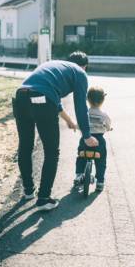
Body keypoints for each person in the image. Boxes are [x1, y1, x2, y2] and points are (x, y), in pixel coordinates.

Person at [12, 51, 98, 211]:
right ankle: (44, 199)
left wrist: (69, 122)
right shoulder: (80, 73)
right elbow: (81, 106)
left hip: (20, 97)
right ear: (84, 67)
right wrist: (87, 135)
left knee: (25, 146)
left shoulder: (55, 67)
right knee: (51, 151)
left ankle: (29, 191)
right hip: (42, 100)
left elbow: (54, 100)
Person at [74, 86, 112, 192]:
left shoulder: (84, 113)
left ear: (87, 99)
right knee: (101, 161)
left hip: (85, 139)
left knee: (81, 156)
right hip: (99, 141)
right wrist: (109, 128)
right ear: (103, 100)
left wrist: (77, 127)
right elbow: (108, 126)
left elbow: (78, 125)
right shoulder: (104, 115)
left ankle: (79, 175)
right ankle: (100, 182)